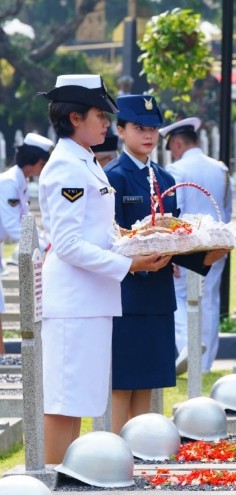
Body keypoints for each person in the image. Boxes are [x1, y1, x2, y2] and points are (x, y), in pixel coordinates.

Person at [38, 74, 170, 463]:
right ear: (75, 118)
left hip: (93, 299)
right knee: (64, 399)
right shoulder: (66, 166)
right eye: (100, 115)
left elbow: (97, 232)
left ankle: (66, 476)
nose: (106, 125)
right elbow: (67, 245)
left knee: (79, 397)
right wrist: (129, 263)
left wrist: (138, 241)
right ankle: (52, 478)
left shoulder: (87, 162)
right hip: (75, 300)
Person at [105, 95, 226, 433]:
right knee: (122, 381)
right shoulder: (112, 178)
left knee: (147, 380)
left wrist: (205, 255)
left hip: (158, 294)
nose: (148, 135)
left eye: (153, 128)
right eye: (139, 128)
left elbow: (174, 236)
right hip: (125, 293)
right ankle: (116, 447)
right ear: (121, 130)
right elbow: (109, 239)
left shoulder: (166, 178)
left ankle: (142, 448)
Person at [160, 117, 233, 373]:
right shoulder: (221, 169)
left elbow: (173, 213)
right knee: (210, 301)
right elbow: (225, 211)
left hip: (187, 246)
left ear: (178, 144)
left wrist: (170, 250)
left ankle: (188, 350)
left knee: (181, 299)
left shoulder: (177, 171)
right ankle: (204, 364)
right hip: (215, 244)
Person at [0, 133, 54, 354]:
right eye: (43, 163)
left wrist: (46, 242)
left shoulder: (19, 183)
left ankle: (2, 355)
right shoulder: (10, 183)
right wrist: (42, 248)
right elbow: (14, 226)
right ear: (36, 162)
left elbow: (26, 223)